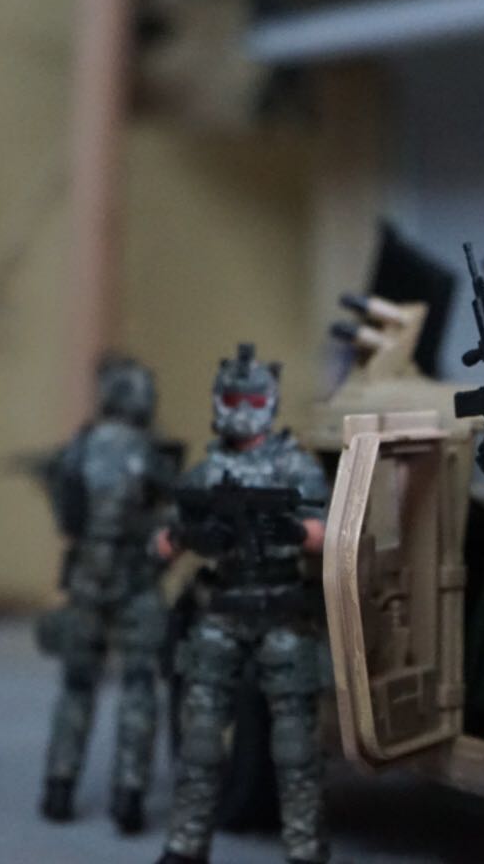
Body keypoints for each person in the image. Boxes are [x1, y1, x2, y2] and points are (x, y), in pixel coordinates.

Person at [155, 344, 331, 864]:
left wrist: (293, 531)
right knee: (201, 740)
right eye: (232, 399)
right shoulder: (205, 473)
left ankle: (305, 847)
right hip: (221, 610)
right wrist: (192, 535)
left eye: (249, 400)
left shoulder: (295, 465)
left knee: (296, 745)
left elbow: (330, 534)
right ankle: (186, 845)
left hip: (283, 611)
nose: (240, 410)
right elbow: (161, 545)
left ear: (267, 403)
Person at [37, 356, 175, 833]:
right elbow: (176, 511)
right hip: (136, 581)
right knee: (138, 686)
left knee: (76, 685)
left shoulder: (79, 447)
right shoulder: (148, 452)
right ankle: (129, 794)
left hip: (85, 581)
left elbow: (67, 518)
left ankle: (58, 786)